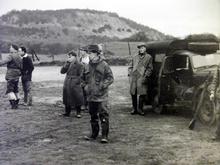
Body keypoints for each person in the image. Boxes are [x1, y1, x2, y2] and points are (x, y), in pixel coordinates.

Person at [83, 45, 114, 143]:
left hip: (101, 96)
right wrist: (85, 86)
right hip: (91, 96)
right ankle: (94, 134)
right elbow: (82, 78)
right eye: (88, 53)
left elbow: (110, 78)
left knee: (103, 115)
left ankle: (104, 136)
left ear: (96, 53)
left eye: (91, 53)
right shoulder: (87, 65)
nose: (89, 55)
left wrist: (102, 86)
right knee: (93, 116)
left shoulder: (104, 64)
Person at [128, 43, 153, 115]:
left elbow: (150, 68)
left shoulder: (149, 57)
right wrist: (130, 74)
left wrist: (146, 76)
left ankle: (140, 109)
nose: (140, 49)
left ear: (145, 49)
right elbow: (130, 66)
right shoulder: (135, 57)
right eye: (139, 48)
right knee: (133, 93)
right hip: (134, 77)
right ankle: (134, 109)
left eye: (142, 48)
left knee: (142, 93)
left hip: (142, 76)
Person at [60, 51, 84, 118]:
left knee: (77, 97)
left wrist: (77, 82)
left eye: (70, 56)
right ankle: (67, 112)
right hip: (67, 82)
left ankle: (78, 113)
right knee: (67, 97)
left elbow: (82, 75)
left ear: (74, 57)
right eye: (68, 57)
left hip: (75, 83)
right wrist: (67, 63)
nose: (69, 58)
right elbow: (62, 72)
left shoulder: (79, 64)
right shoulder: (68, 63)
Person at [0, 44, 22, 109]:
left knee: (10, 90)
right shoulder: (19, 56)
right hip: (17, 74)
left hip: (11, 74)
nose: (10, 48)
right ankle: (16, 103)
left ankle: (14, 105)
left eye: (11, 47)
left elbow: (3, 62)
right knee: (15, 89)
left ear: (14, 49)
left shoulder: (11, 56)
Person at [79, 47, 90, 111]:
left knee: (88, 91)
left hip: (88, 76)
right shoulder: (80, 59)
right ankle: (83, 104)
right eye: (80, 51)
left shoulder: (89, 58)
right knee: (82, 91)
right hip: (82, 77)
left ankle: (88, 105)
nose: (81, 52)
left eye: (82, 51)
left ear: (85, 51)